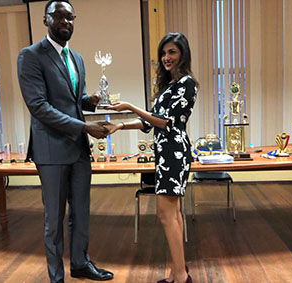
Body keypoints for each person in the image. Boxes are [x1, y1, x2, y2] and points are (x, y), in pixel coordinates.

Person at [17, 1, 113, 282]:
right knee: (54, 221)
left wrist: (92, 101)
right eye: (58, 16)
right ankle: (56, 277)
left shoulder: (78, 59)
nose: (65, 21)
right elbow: (39, 107)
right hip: (51, 151)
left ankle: (81, 264)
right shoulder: (31, 55)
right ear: (45, 19)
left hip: (78, 150)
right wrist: (84, 127)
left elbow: (74, 101)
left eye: (70, 17)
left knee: (81, 213)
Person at [106, 32, 198, 283]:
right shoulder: (168, 87)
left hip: (174, 152)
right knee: (173, 214)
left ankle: (180, 277)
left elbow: (164, 122)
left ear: (182, 55)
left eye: (172, 52)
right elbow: (150, 123)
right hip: (166, 152)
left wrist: (129, 106)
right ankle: (177, 273)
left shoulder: (187, 83)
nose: (166, 57)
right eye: (164, 53)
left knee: (166, 214)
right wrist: (120, 126)